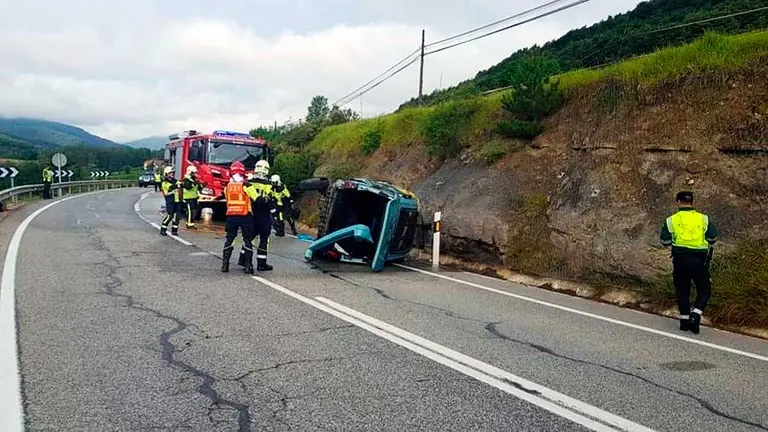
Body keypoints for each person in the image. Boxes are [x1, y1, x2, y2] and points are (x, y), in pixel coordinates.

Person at [660, 191, 718, 334]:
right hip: (700, 260)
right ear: (692, 202)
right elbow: (713, 237)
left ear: (678, 202)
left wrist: (677, 241)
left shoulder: (671, 220)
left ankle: (684, 321)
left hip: (680, 260)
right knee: (704, 289)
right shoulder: (703, 219)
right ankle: (696, 314)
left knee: (682, 289)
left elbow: (664, 241)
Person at [221, 161, 260, 274]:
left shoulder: (227, 187)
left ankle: (225, 265)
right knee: (247, 240)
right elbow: (257, 199)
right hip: (245, 216)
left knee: (230, 239)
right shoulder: (246, 186)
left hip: (231, 217)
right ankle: (248, 266)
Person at [160, 166, 181, 236]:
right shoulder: (164, 183)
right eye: (170, 173)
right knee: (170, 216)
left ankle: (174, 231)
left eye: (172, 173)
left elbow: (180, 184)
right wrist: (177, 185)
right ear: (166, 174)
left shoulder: (175, 181)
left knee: (177, 216)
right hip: (170, 201)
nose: (172, 174)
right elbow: (171, 187)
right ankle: (163, 229)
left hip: (177, 201)